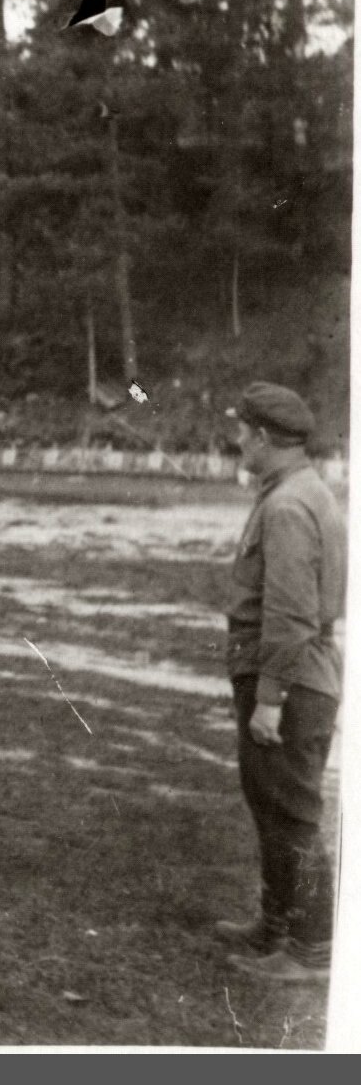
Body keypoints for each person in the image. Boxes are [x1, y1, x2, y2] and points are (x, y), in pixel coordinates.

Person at [212, 382, 344, 985]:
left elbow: (291, 612)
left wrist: (269, 699)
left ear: (264, 438)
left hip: (289, 683)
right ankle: (274, 924)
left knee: (291, 813)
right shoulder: (298, 491)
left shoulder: (289, 504)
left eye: (242, 430)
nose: (237, 440)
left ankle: (312, 950)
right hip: (293, 677)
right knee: (272, 806)